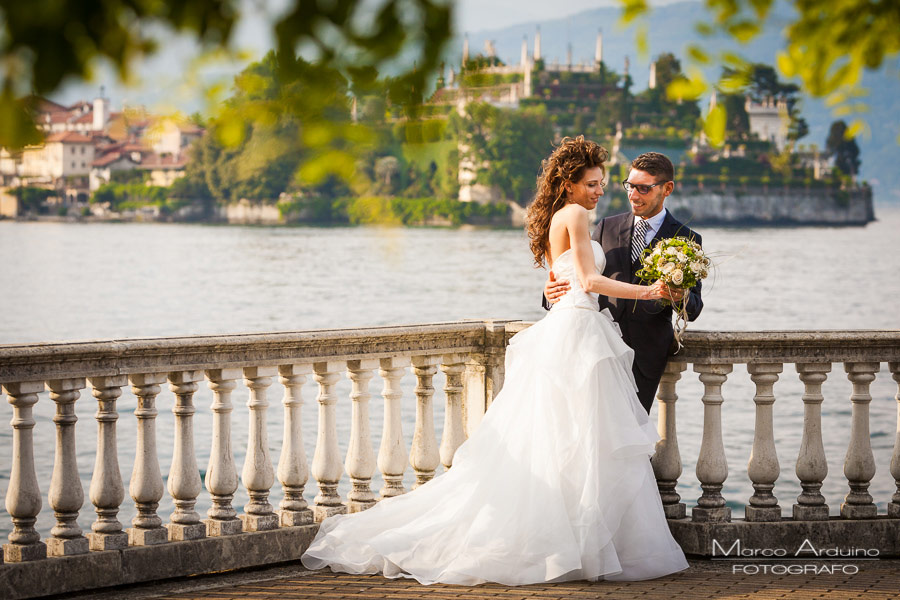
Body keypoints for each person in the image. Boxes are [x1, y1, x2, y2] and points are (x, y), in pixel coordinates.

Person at [301, 137, 689, 585]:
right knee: (579, 439)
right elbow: (586, 278)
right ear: (570, 182)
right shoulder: (579, 216)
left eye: (605, 184)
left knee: (563, 440)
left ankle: (577, 541)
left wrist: (561, 290)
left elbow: (559, 279)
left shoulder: (558, 218)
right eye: (595, 183)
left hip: (573, 331)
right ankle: (582, 544)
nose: (602, 191)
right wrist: (650, 290)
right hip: (579, 333)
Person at [543, 151, 703, 413]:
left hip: (646, 354)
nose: (633, 195)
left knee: (633, 437)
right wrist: (549, 292)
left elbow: (694, 307)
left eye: (643, 188)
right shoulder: (607, 226)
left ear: (667, 189)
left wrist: (678, 296)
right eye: (630, 186)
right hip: (598, 346)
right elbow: (578, 272)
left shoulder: (687, 239)